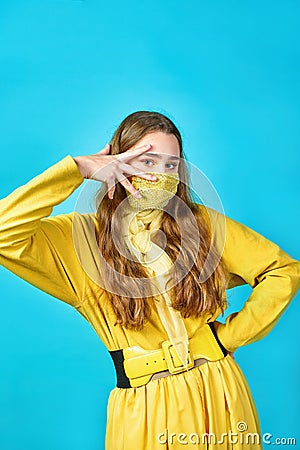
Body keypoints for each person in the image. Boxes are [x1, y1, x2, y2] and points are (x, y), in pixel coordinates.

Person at [0, 110, 299, 450]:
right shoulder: (80, 240)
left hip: (219, 391)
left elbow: (282, 269)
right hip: (145, 409)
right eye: (147, 162)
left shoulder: (200, 224)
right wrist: (78, 169)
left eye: (170, 165)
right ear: (117, 163)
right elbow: (3, 232)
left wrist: (230, 337)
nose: (160, 176)